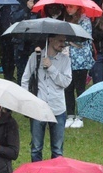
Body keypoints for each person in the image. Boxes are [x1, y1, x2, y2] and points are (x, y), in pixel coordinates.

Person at [21, 35, 72, 164]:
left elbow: (66, 82)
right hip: (39, 108)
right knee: (36, 147)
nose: (63, 44)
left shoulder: (65, 60)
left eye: (64, 41)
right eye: (60, 41)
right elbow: (25, 79)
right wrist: (27, 101)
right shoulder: (35, 57)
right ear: (51, 39)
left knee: (57, 149)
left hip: (58, 108)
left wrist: (51, 68)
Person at [63, 5, 93, 129]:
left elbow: (83, 38)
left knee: (80, 87)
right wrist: (71, 41)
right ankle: (70, 114)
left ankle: (80, 115)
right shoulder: (65, 20)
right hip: (67, 58)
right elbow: (62, 38)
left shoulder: (85, 20)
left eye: (71, 7)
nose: (69, 9)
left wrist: (69, 39)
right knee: (68, 87)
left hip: (81, 60)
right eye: (67, 7)